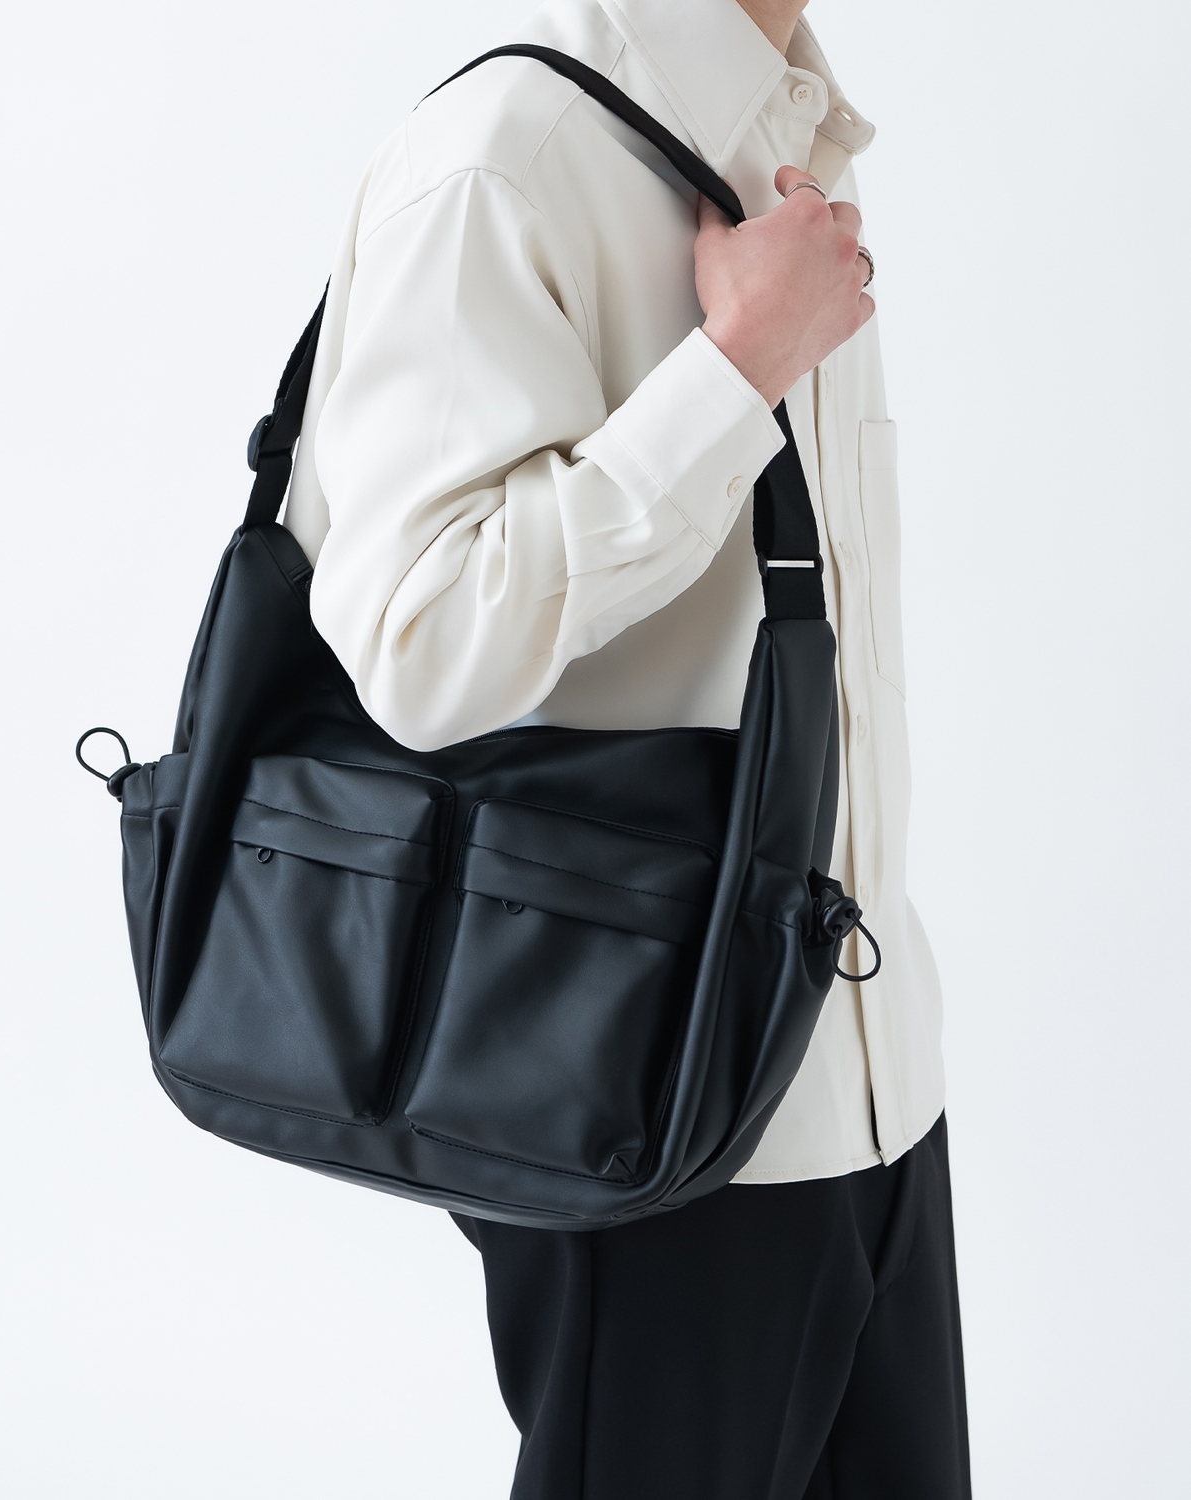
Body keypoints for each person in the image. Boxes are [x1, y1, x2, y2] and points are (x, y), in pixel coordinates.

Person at [284, 0, 970, 1494]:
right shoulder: (506, 156)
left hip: (864, 1082)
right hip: (643, 1116)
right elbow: (418, 642)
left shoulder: (790, 131)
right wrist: (733, 370)